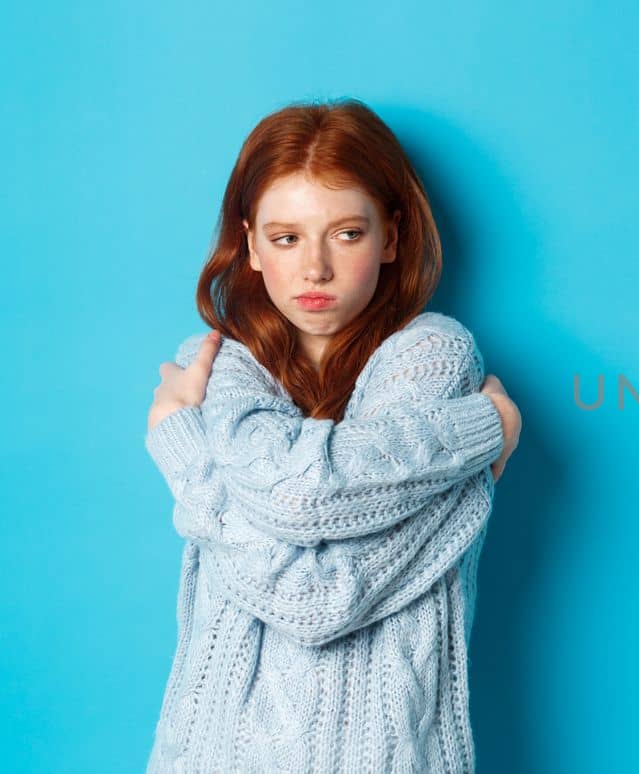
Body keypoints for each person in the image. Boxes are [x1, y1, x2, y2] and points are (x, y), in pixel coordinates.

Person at [142, 97, 522, 773]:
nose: (315, 268)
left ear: (392, 238)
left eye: (346, 233)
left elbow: (315, 593)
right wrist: (485, 432)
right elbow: (315, 521)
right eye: (287, 237)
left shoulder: (434, 356)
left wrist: (183, 448)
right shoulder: (221, 363)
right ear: (251, 244)